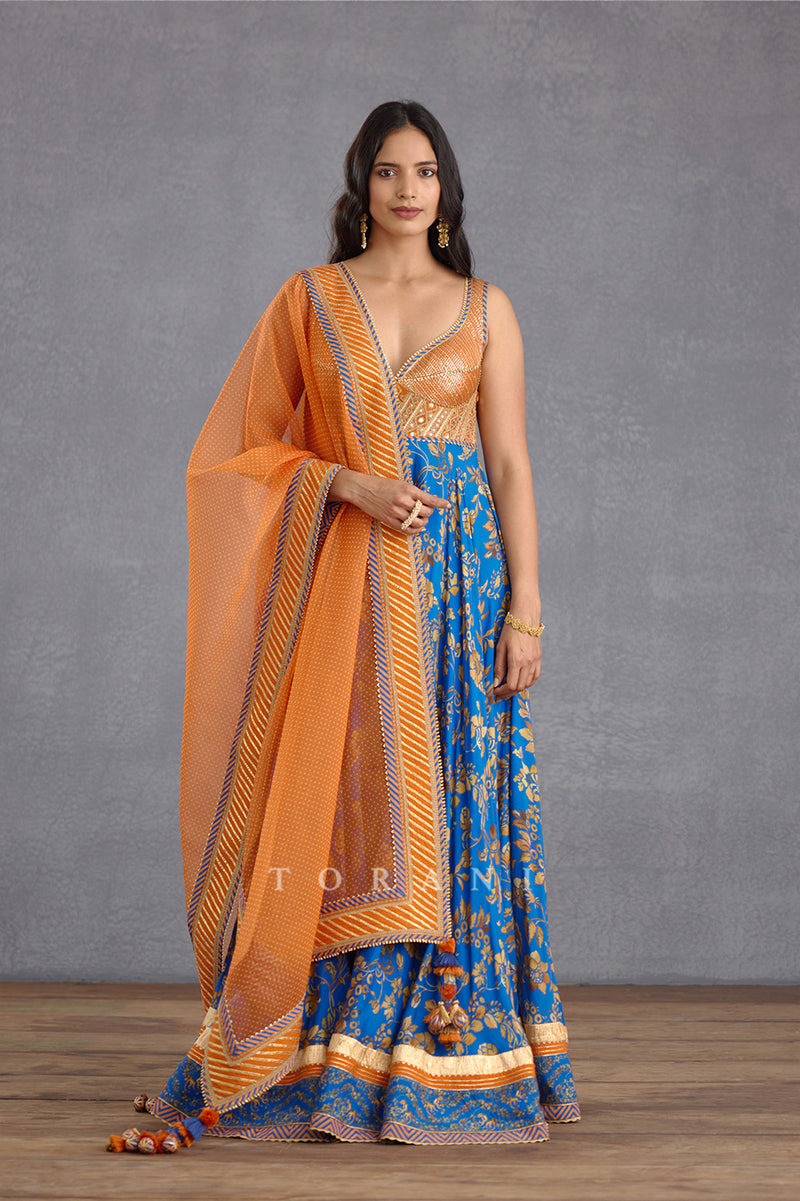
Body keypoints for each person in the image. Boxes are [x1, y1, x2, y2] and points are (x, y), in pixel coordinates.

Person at [128, 100, 581, 1148]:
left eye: (423, 170)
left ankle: (445, 1037)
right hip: (348, 589)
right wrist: (344, 483)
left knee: (457, 794)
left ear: (445, 187)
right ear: (360, 184)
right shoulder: (312, 300)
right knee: (344, 798)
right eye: (387, 170)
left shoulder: (485, 308)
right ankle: (328, 1040)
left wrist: (526, 609)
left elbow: (509, 464)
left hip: (459, 588)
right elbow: (234, 456)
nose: (406, 189)